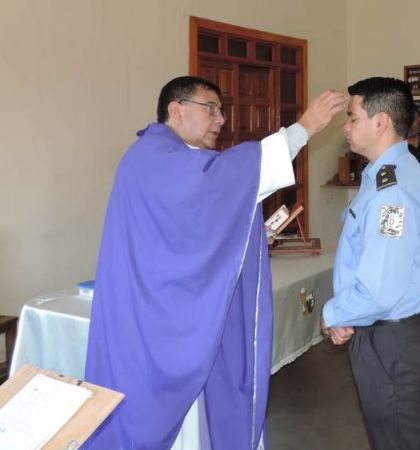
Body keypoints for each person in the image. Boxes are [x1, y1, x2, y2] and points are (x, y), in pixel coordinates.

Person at [84, 76, 347, 449]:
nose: (221, 120)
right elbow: (227, 180)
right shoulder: (158, 157)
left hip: (150, 298)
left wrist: (244, 235)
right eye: (211, 109)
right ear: (177, 110)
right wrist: (304, 127)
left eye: (221, 111)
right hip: (154, 315)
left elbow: (191, 224)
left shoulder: (157, 155)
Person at [321, 77, 420, 450]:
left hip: (392, 336)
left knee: (398, 439)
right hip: (383, 328)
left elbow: (381, 288)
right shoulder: (385, 174)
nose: (346, 127)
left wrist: (335, 313)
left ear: (381, 122)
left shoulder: (393, 193)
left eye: (352, 117)